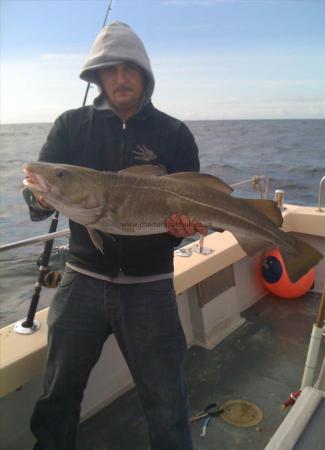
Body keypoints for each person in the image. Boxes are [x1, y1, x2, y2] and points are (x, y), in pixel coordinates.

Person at [24, 22, 206, 450]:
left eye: (130, 69)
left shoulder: (174, 134)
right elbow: (36, 194)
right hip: (81, 280)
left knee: (167, 403)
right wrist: (44, 200)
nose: (120, 78)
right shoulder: (71, 127)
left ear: (144, 75)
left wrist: (180, 233)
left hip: (150, 290)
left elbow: (184, 223)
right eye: (111, 69)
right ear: (98, 76)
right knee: (56, 399)